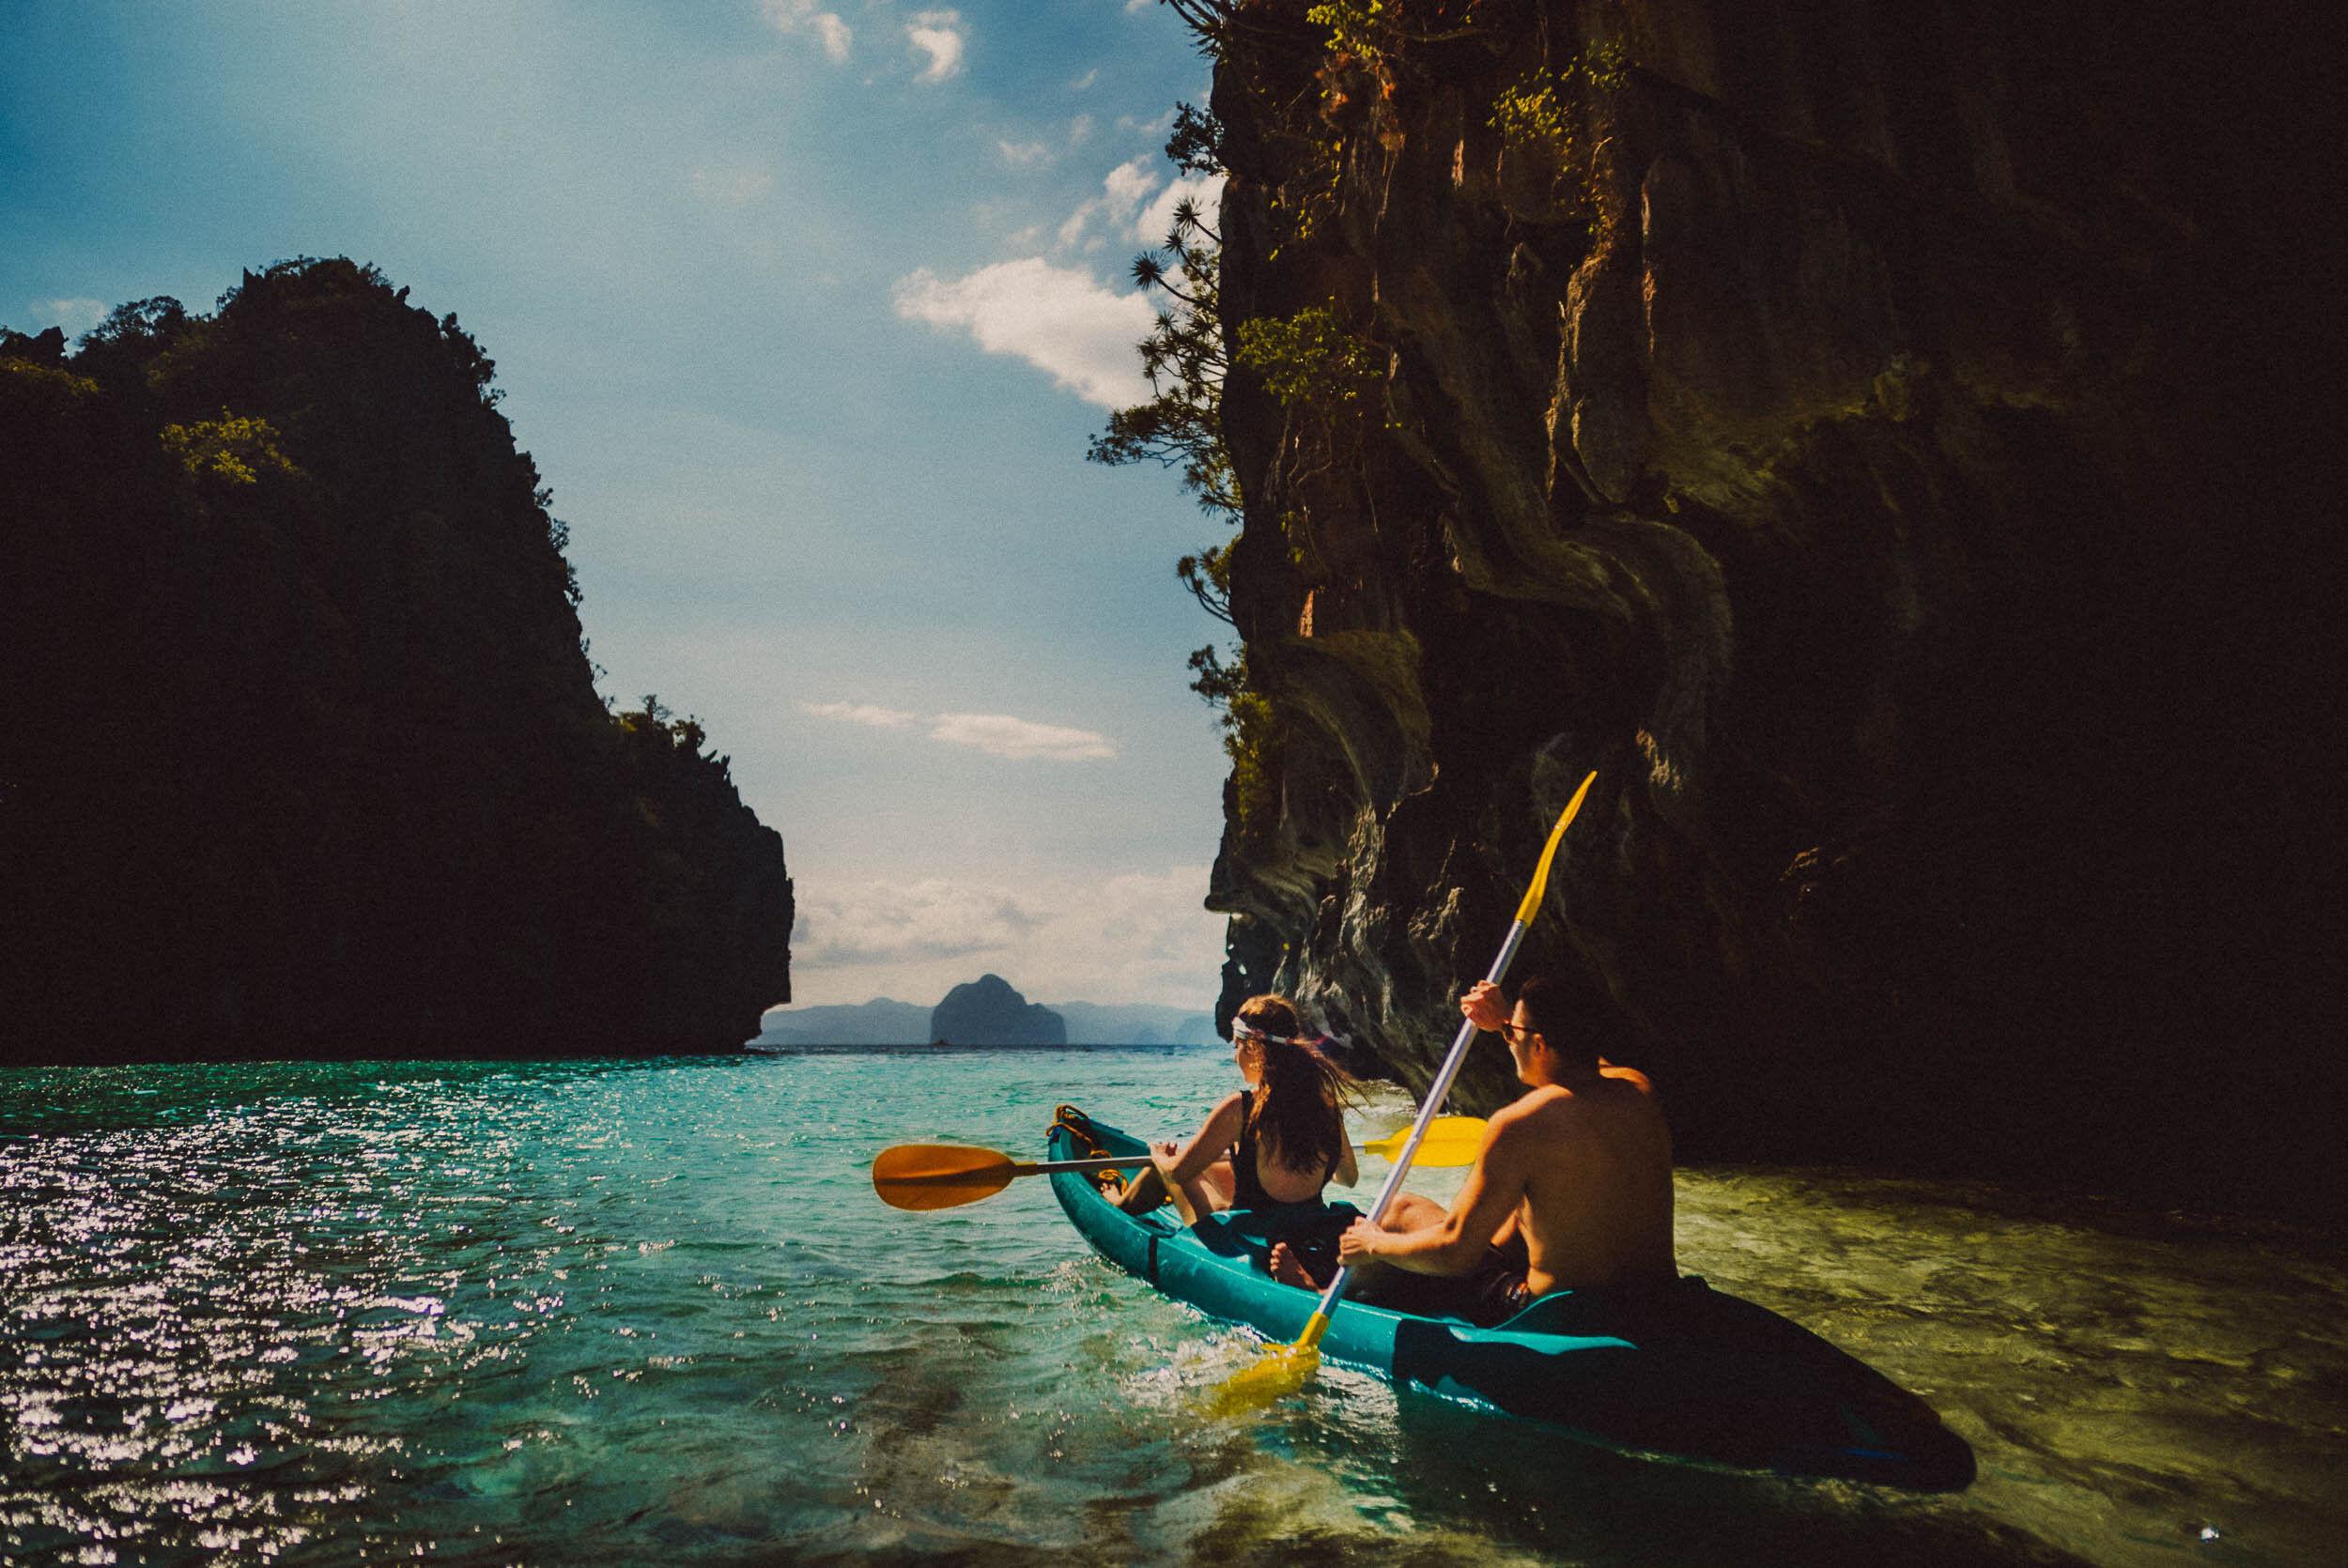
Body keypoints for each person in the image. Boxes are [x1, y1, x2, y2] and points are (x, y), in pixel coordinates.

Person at [1307, 974, 1676, 1326]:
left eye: (1514, 1032)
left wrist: (1375, 1244)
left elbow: (1454, 1252)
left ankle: (1321, 1294)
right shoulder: (1639, 1090)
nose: (1509, 1038)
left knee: (1401, 1211)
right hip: (1652, 1299)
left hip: (1556, 1313)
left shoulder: (1520, 1124)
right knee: (1514, 1219)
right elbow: (1586, 1059)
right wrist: (1504, 1023)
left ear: (1539, 1045)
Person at [1116, 994, 1359, 1232]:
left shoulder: (1239, 1108)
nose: (1235, 1059)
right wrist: (1307, 1167)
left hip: (1246, 1237)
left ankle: (1115, 1205)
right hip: (1306, 1228)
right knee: (1218, 1168)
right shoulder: (1325, 1106)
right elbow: (1348, 1179)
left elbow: (1178, 1174)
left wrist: (1159, 1157)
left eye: (1237, 1047)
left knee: (1165, 1169)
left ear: (1254, 1049)